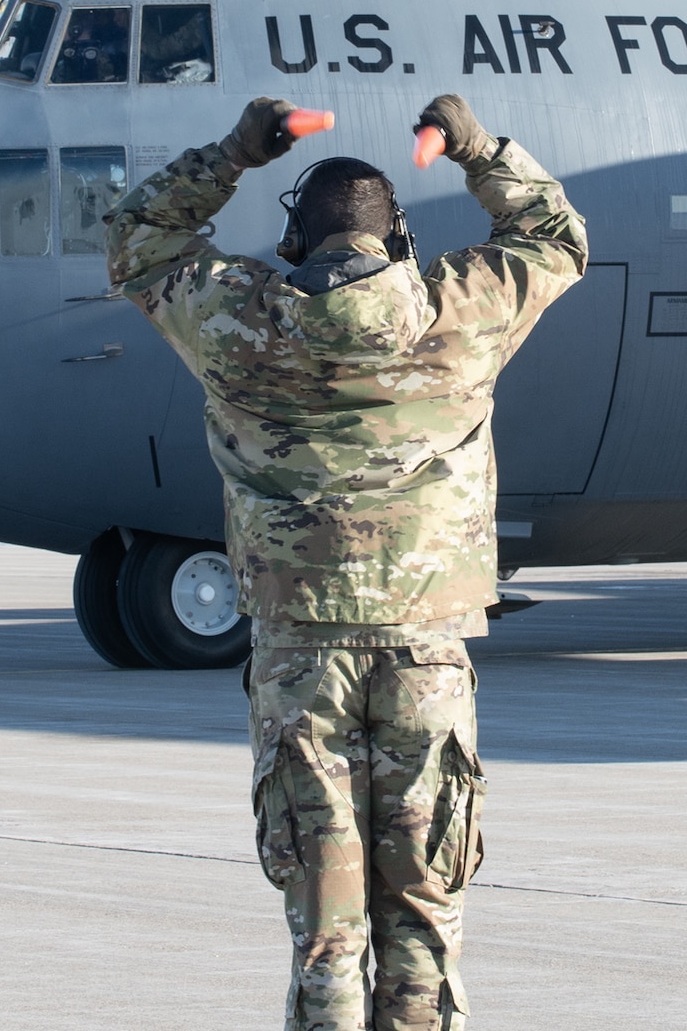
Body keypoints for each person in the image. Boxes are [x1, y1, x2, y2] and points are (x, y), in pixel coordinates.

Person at [106, 93, 587, 1030]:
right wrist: (477, 148)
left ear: (296, 239)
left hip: (298, 656)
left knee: (326, 933)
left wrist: (238, 150)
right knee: (424, 918)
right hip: (425, 652)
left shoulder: (236, 320)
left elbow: (138, 238)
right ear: (395, 236)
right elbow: (556, 236)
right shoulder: (461, 311)